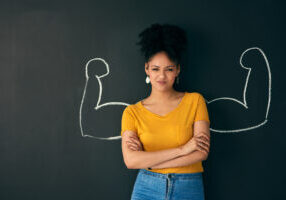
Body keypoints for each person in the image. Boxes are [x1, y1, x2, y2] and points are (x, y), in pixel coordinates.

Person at [120, 23, 211, 200]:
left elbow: (201, 152)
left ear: (177, 69)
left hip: (188, 186)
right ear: (147, 69)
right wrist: (184, 149)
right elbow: (131, 161)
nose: (162, 76)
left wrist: (149, 161)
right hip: (146, 187)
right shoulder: (132, 112)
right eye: (155, 69)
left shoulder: (195, 101)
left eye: (169, 69)